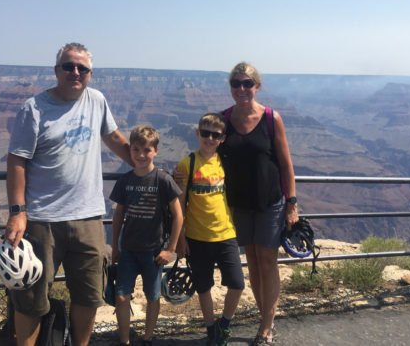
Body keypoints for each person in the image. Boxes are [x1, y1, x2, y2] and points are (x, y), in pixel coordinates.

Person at [4, 42, 133, 346]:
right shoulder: (34, 108)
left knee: (89, 296)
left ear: (90, 73)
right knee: (31, 299)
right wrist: (17, 211)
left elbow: (113, 138)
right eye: (68, 66)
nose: (75, 72)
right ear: (57, 70)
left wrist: (148, 166)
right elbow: (16, 161)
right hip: (41, 221)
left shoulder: (97, 100)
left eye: (82, 68)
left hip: (88, 218)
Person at [217, 62, 298, 346]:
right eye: (236, 84)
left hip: (270, 202)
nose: (241, 89)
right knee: (252, 262)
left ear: (257, 86)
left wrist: (292, 203)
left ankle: (266, 326)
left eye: (247, 83)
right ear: (231, 88)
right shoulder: (223, 120)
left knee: (267, 262)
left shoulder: (270, 118)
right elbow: (209, 157)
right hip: (238, 204)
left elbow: (286, 165)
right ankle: (265, 316)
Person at [109, 125, 183, 346]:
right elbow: (118, 216)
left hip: (154, 251)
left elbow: (178, 216)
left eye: (147, 150)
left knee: (153, 296)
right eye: (136, 150)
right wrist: (115, 247)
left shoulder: (163, 180)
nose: (141, 155)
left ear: (156, 151)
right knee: (121, 296)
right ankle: (125, 340)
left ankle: (148, 337)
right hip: (129, 250)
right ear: (130, 151)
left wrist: (170, 249)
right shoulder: (125, 181)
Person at [176, 113, 245, 346]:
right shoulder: (187, 164)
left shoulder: (224, 162)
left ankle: (223, 324)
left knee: (237, 283)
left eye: (215, 135)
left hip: (226, 234)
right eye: (205, 133)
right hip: (197, 237)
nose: (209, 138)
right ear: (197, 133)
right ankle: (210, 329)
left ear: (222, 138)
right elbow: (180, 204)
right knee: (203, 286)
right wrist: (180, 238)